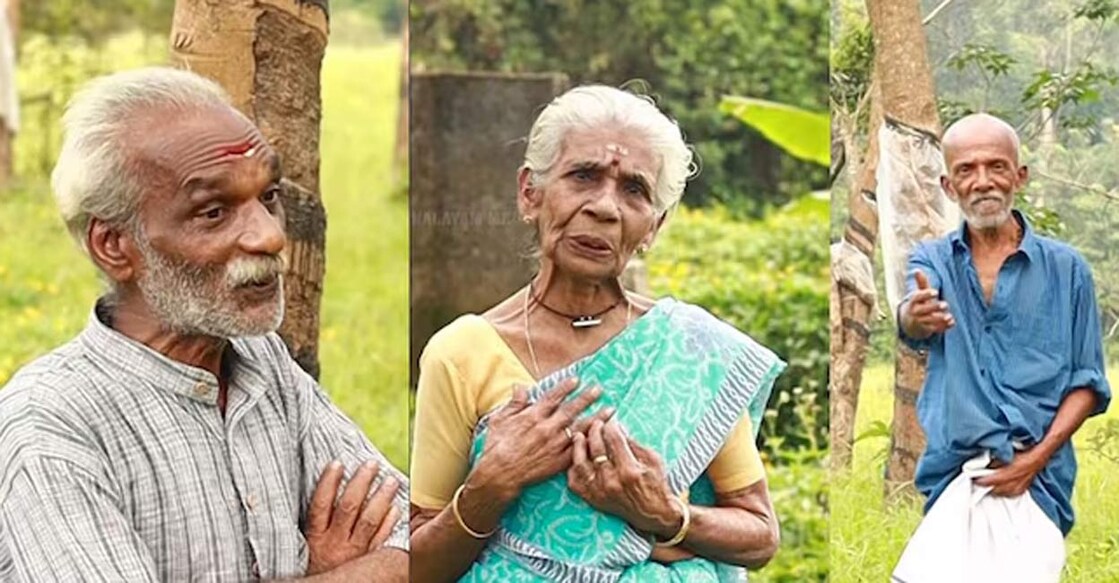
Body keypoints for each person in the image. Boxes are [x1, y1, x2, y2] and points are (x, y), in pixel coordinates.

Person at [0, 68, 408, 581]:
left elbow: (413, 541)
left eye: (269, 197)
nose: (268, 237)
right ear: (114, 246)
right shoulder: (51, 423)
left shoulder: (263, 364)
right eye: (213, 212)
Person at [409, 85, 786, 582]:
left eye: (634, 190)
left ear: (654, 225)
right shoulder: (462, 354)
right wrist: (492, 484)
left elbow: (760, 535)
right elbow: (415, 565)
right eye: (583, 176)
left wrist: (666, 515)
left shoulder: (692, 348)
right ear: (530, 193)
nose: (605, 207)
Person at [894, 113, 1110, 576]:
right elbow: (913, 318)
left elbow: (1087, 384)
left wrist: (1031, 463)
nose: (983, 181)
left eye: (996, 166)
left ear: (1019, 176)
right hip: (954, 475)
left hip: (1039, 482)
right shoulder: (932, 260)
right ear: (949, 186)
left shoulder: (1068, 270)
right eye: (967, 170)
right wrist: (914, 315)